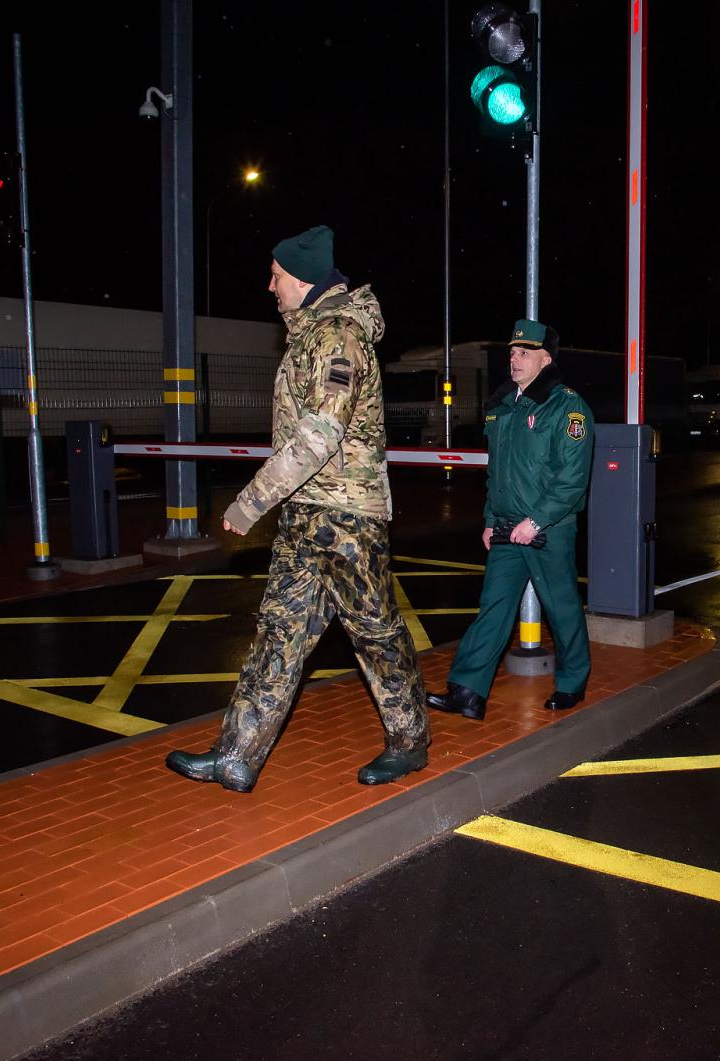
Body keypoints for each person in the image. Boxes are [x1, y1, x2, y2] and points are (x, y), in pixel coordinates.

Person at [166, 225, 429, 791]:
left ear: (303, 279)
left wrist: (251, 501)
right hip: (308, 512)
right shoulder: (309, 335)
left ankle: (409, 741)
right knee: (278, 633)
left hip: (348, 517)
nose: (270, 286)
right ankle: (236, 755)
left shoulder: (339, 337)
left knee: (374, 633)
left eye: (277, 275)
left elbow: (320, 434)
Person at [426, 319, 595, 720]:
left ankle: (572, 682)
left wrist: (536, 522)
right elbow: (497, 473)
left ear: (546, 358)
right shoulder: (504, 405)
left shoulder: (567, 407)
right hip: (505, 525)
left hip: (547, 529)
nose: (514, 360)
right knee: (494, 606)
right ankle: (468, 691)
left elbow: (572, 478)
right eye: (512, 353)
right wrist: (490, 518)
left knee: (561, 607)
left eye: (524, 353)